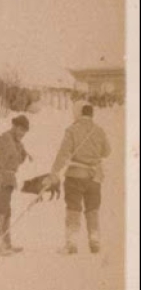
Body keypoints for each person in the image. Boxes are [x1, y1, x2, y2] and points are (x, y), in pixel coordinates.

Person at [46, 102, 111, 254]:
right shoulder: (99, 131)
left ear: (78, 113)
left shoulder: (72, 130)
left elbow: (63, 154)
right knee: (92, 209)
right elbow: (107, 151)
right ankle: (94, 240)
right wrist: (93, 155)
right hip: (95, 177)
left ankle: (72, 243)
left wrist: (54, 172)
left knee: (73, 208)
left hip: (75, 176)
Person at [0, 114, 31, 256]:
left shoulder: (15, 141)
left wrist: (23, 154)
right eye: (20, 130)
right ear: (14, 126)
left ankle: (6, 244)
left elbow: (15, 160)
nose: (22, 134)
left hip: (9, 180)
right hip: (1, 179)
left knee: (6, 211)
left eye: (25, 131)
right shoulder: (6, 139)